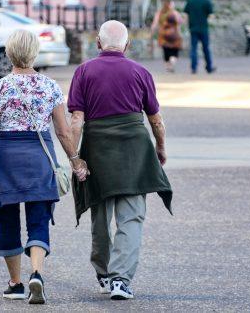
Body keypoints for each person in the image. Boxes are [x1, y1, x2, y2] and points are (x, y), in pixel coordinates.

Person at [0, 29, 89, 305]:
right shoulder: (50, 86)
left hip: (6, 160)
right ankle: (38, 275)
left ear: (9, 53)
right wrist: (75, 161)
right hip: (39, 159)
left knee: (8, 219)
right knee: (38, 220)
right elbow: (64, 132)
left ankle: (16, 284)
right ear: (34, 53)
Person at [68, 20, 173, 300]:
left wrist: (75, 157)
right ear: (127, 45)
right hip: (134, 150)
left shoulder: (84, 71)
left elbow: (76, 120)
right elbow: (155, 119)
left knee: (100, 215)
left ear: (98, 44)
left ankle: (103, 274)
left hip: (98, 148)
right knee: (131, 217)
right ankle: (120, 281)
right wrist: (160, 148)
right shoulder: (140, 72)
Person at [183, 0, 215, 74]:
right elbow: (211, 16)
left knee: (194, 49)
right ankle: (209, 67)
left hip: (193, 29)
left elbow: (185, 15)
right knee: (206, 48)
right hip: (204, 29)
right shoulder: (207, 2)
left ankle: (194, 68)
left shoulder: (190, 1)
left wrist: (188, 25)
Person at [151, 0, 183, 72]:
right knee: (175, 50)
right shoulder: (175, 13)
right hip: (174, 34)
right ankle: (172, 61)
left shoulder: (159, 13)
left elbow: (155, 24)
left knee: (166, 50)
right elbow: (180, 22)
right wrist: (179, 34)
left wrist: (152, 32)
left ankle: (168, 66)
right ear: (171, 5)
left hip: (163, 34)